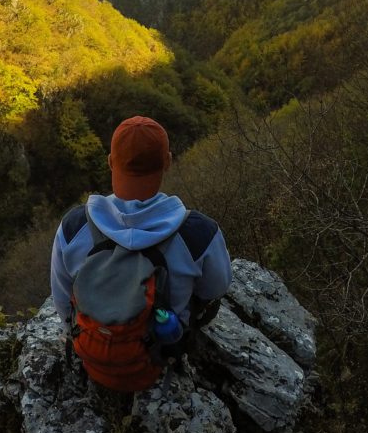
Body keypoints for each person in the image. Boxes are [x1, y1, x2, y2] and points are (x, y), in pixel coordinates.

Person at [50, 115, 232, 355]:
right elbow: (216, 288)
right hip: (160, 351)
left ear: (110, 162)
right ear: (167, 162)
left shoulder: (73, 226)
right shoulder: (199, 233)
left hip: (93, 348)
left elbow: (62, 301)